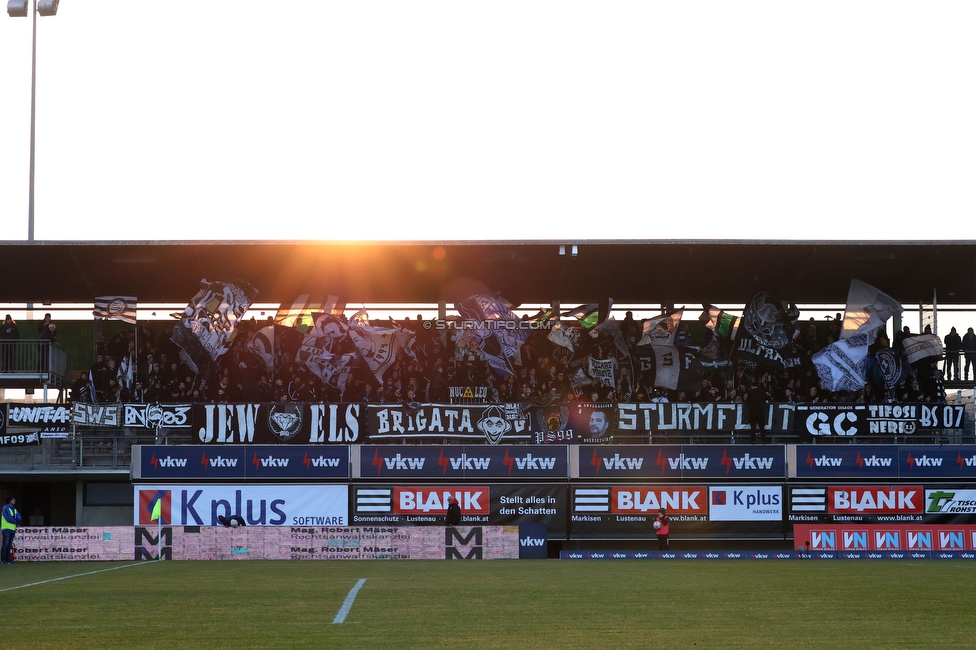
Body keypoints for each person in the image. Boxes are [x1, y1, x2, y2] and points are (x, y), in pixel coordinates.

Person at [1, 496, 22, 564]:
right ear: (9, 501)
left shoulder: (14, 509)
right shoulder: (5, 508)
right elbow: (8, 518)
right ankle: (3, 560)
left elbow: (19, 517)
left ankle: (8, 559)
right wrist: (15, 520)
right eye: (13, 499)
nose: (14, 500)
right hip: (6, 528)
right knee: (5, 544)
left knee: (9, 545)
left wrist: (15, 519)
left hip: (12, 528)